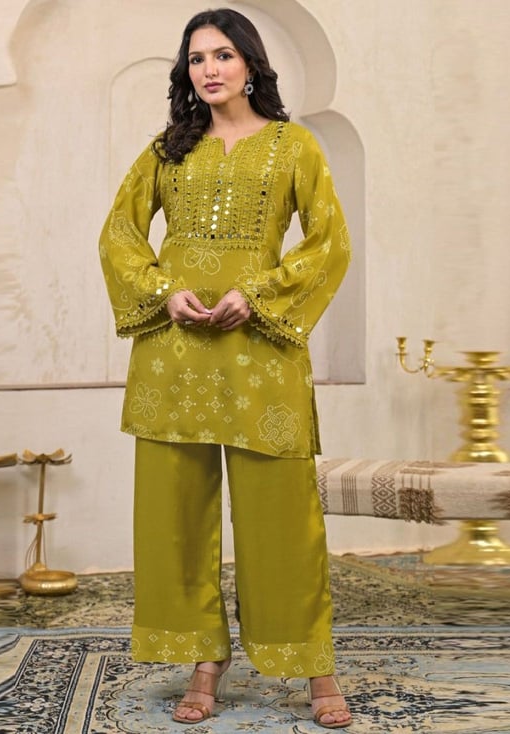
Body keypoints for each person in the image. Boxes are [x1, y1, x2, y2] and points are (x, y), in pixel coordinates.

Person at [99, 7, 352, 729]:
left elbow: (329, 243)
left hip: (260, 347)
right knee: (174, 513)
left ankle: (314, 663)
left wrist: (261, 294)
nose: (208, 69)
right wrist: (161, 292)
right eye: (196, 58)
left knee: (283, 514)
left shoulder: (294, 146)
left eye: (222, 55)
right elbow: (119, 234)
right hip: (174, 354)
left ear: (250, 64)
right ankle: (203, 660)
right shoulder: (167, 150)